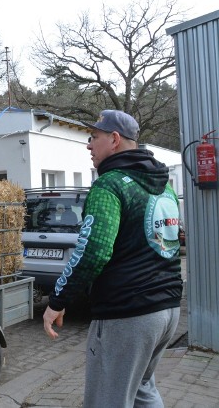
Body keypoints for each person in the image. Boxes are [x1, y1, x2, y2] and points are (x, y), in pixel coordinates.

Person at [42, 110, 183, 408]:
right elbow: (170, 244)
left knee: (107, 400)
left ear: (115, 139)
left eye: (93, 137)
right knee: (143, 391)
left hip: (128, 315)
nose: (89, 145)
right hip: (168, 310)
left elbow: (94, 250)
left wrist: (57, 300)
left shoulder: (110, 185)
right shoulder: (164, 185)